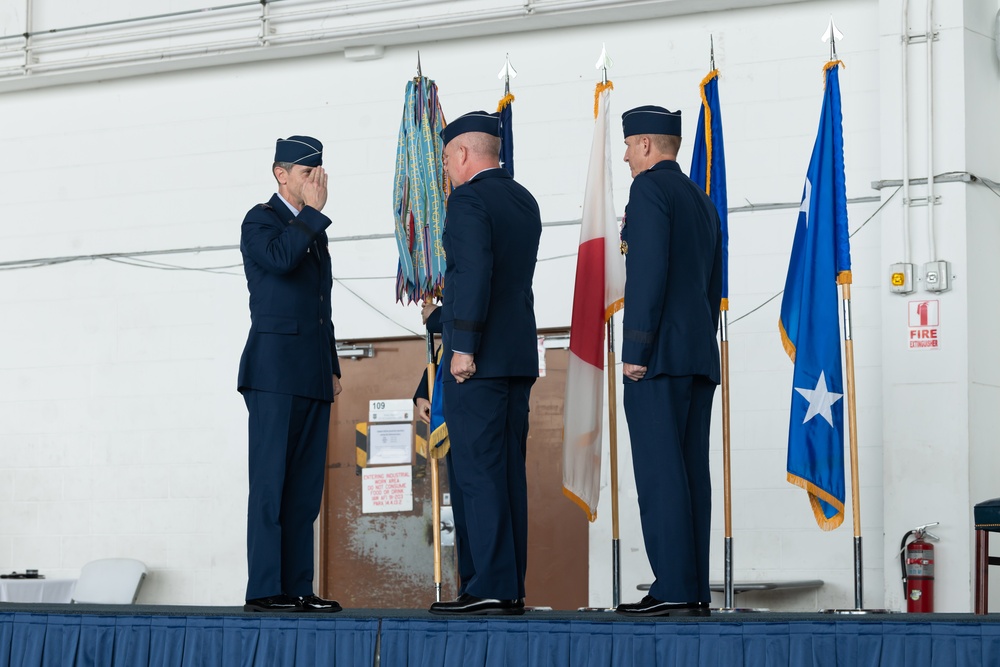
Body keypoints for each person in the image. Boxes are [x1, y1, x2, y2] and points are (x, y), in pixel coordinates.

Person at [427, 111, 542, 616]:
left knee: (477, 473)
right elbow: (503, 277)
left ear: (462, 155)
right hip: (516, 356)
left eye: (448, 158)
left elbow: (473, 273)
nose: (447, 167)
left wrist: (463, 345)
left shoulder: (468, 199)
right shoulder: (523, 198)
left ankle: (487, 585)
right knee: (506, 474)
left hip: (480, 360)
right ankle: (505, 585)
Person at [615, 106, 722, 617]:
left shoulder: (648, 191)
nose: (626, 156)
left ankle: (674, 587)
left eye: (630, 146)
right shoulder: (701, 200)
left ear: (648, 147)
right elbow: (712, 286)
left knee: (660, 475)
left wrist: (635, 350)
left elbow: (648, 273)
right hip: (697, 353)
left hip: (657, 357)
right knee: (690, 474)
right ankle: (693, 587)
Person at [237, 135, 343, 613]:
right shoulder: (260, 220)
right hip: (274, 372)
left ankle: (298, 586)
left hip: (313, 372)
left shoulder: (310, 230)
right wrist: (313, 215)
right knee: (270, 486)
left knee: (304, 491)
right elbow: (279, 260)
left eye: (319, 174)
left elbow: (322, 306)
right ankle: (265, 589)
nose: (316, 183)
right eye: (307, 175)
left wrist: (333, 365)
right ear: (281, 174)